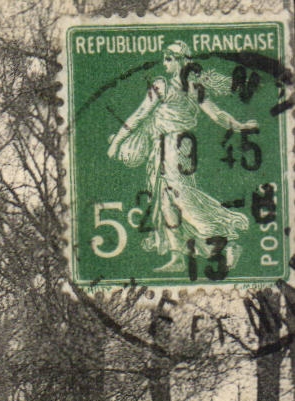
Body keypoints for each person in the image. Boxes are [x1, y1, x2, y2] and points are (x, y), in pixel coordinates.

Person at [106, 41, 255, 273]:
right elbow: (142, 115)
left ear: (181, 61)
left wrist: (240, 126)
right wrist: (240, 126)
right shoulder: (182, 86)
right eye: (165, 58)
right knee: (166, 201)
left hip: (175, 145)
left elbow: (215, 114)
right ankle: (180, 256)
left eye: (169, 58)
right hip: (173, 145)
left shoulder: (169, 86)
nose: (165, 63)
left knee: (179, 195)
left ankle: (224, 238)